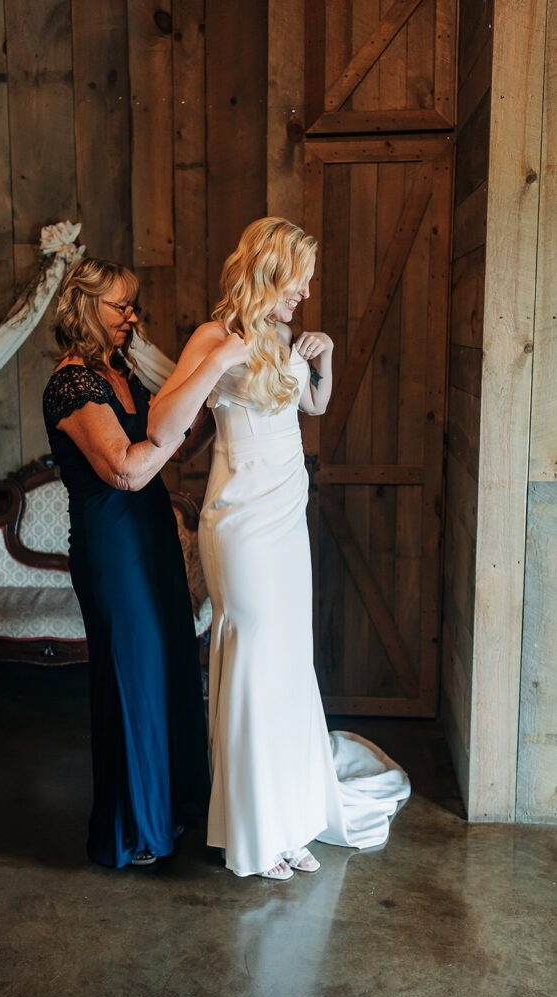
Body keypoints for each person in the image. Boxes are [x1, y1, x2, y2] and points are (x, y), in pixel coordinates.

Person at [147, 217, 411, 880]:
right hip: (238, 522)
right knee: (253, 658)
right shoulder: (215, 337)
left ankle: (289, 819)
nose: (304, 293)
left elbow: (309, 409)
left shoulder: (286, 337)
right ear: (267, 270)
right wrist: (215, 362)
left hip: (286, 518)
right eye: (299, 280)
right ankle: (252, 829)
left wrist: (320, 362)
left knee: (288, 662)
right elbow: (161, 424)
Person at [41, 257, 243, 869]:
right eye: (119, 306)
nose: (133, 316)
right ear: (82, 309)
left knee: (173, 666)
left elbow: (176, 449)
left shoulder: (125, 370)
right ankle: (136, 830)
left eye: (133, 304)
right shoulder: (72, 385)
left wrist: (209, 407)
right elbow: (127, 470)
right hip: (111, 543)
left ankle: (179, 808)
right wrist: (207, 369)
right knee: (133, 676)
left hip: (153, 535)